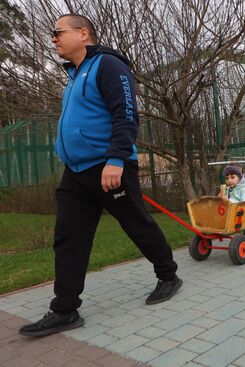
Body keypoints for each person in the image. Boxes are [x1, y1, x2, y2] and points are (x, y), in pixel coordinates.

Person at [19, 14, 181, 337]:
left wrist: (116, 159)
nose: (53, 38)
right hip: (76, 173)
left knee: (136, 223)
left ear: (83, 33)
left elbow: (126, 112)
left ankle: (168, 274)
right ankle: (64, 309)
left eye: (58, 32)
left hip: (109, 167)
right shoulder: (73, 75)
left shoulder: (109, 65)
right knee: (68, 237)